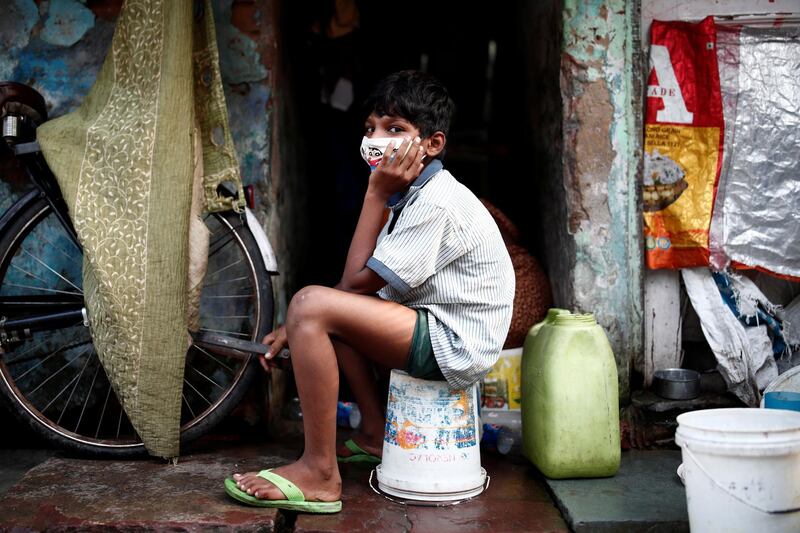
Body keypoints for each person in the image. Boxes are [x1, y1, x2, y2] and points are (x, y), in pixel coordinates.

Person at [226, 70, 514, 513]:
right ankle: (375, 433)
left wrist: (373, 194)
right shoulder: (412, 194)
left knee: (311, 304)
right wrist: (297, 325)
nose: (377, 139)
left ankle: (319, 473)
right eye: (371, 129)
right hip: (438, 328)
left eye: (394, 129)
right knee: (317, 312)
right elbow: (354, 288)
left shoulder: (435, 202)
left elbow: (357, 281)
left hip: (456, 343)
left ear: (432, 144)